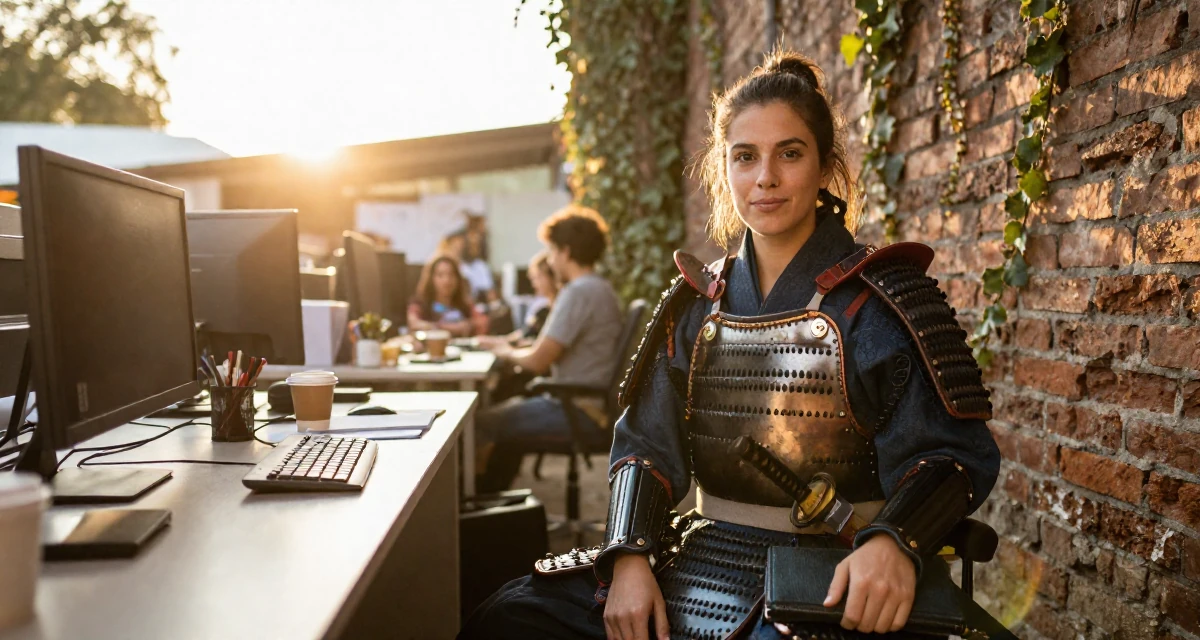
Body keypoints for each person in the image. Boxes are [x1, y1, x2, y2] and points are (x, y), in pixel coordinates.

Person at [458, 50, 1003, 640]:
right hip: (700, 555)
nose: (764, 177)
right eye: (745, 157)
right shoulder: (694, 303)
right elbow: (643, 446)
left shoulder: (885, 302)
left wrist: (895, 544)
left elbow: (951, 456)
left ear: (823, 167)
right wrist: (631, 557)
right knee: (510, 618)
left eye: (789, 154)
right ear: (726, 169)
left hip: (833, 572)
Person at [474, 205, 623, 494]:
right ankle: (496, 502)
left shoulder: (578, 292)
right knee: (505, 416)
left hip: (579, 410)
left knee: (477, 424)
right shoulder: (599, 288)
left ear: (565, 251)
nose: (551, 261)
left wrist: (502, 352)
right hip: (589, 406)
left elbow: (536, 362)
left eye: (552, 251)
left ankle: (477, 508)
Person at [477, 250, 559, 350]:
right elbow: (523, 334)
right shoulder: (542, 311)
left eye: (538, 277)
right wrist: (489, 341)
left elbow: (533, 343)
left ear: (553, 277)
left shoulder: (556, 310)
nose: (534, 284)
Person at [407, 255, 488, 338]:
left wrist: (469, 325)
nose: (446, 280)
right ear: (431, 279)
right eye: (440, 275)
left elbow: (482, 322)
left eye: (451, 275)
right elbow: (413, 323)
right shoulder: (421, 304)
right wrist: (444, 327)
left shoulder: (465, 304)